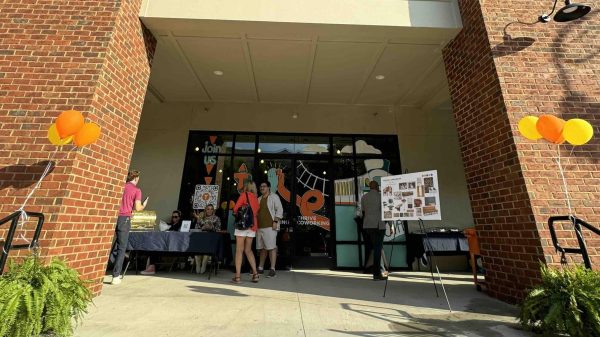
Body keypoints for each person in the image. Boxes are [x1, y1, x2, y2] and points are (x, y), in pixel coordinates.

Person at [109, 170, 148, 285]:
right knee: (121, 248)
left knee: (109, 245)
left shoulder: (121, 187)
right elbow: (138, 207)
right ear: (136, 178)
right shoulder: (137, 190)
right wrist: (144, 204)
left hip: (113, 217)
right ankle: (115, 276)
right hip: (124, 219)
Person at [360, 180, 394, 281]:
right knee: (378, 248)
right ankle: (377, 274)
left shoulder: (364, 197)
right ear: (377, 187)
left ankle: (378, 271)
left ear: (370, 187)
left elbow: (363, 212)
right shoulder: (381, 197)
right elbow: (386, 211)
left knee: (376, 247)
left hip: (368, 225)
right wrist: (391, 225)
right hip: (379, 225)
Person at [232, 182, 260, 284]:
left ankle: (238, 277)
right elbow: (256, 212)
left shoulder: (244, 195)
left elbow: (235, 209)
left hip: (242, 225)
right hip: (252, 226)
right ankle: (255, 274)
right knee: (248, 250)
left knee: (239, 250)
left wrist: (235, 213)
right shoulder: (256, 198)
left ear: (246, 187)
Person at [257, 181, 283, 277]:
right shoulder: (258, 199)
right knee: (263, 248)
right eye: (261, 186)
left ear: (269, 188)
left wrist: (275, 221)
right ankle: (260, 268)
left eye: (264, 186)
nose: (262, 188)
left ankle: (272, 269)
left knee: (271, 247)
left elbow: (279, 209)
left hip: (270, 226)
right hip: (260, 227)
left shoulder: (274, 197)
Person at [193, 204, 221, 274]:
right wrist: (202, 228)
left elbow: (218, 229)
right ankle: (198, 264)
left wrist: (212, 228)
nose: (210, 210)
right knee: (197, 246)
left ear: (213, 210)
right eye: (208, 209)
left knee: (207, 248)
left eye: (211, 209)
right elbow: (196, 228)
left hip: (211, 239)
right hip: (201, 238)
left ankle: (204, 264)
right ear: (205, 210)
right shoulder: (201, 217)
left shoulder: (216, 218)